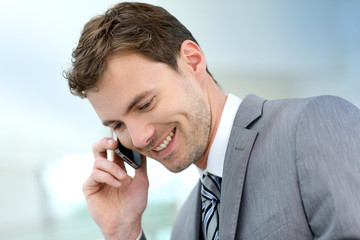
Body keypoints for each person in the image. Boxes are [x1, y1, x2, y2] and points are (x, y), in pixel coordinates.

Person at [64, 2, 360, 240]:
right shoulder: (185, 225)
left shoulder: (310, 126)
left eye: (145, 104)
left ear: (192, 61)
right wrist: (124, 233)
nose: (139, 138)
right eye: (117, 125)